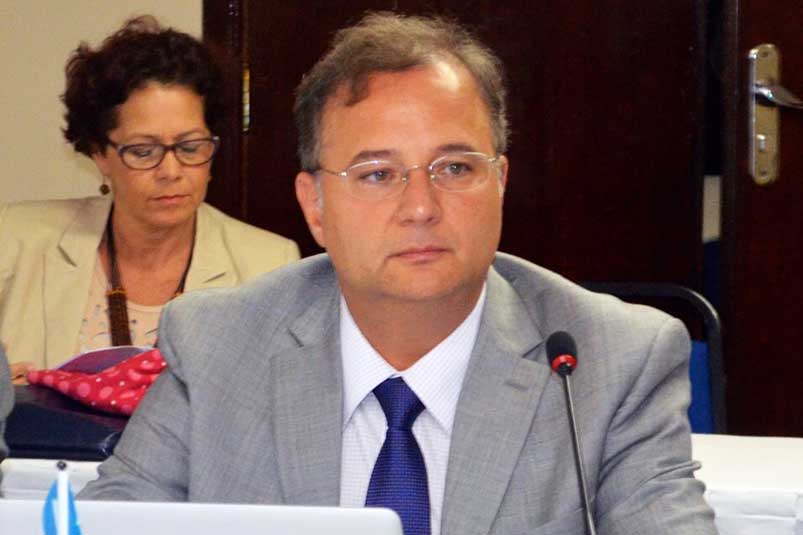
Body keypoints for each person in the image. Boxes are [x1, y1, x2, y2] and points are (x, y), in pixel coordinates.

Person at [79, 12, 717, 535]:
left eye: (455, 168)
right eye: (377, 174)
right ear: (315, 206)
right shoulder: (219, 345)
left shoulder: (611, 362)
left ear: (500, 182)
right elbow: (113, 522)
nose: (420, 208)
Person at [0, 16, 299, 380]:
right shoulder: (15, 240)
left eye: (190, 147)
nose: (171, 171)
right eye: (143, 151)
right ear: (98, 154)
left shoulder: (268, 266)